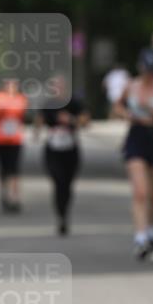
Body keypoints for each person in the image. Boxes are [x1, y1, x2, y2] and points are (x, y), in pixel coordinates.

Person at [116, 48, 153, 260]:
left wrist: (151, 109)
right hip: (136, 137)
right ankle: (140, 238)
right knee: (140, 191)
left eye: (152, 70)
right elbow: (117, 106)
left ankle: (151, 231)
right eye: (146, 70)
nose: (149, 74)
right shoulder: (131, 85)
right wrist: (127, 114)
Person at [36, 78, 90, 235]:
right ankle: (61, 216)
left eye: (60, 86)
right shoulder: (49, 104)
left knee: (67, 184)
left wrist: (71, 120)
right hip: (53, 150)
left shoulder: (74, 102)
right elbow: (40, 119)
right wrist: (36, 130)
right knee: (58, 181)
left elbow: (86, 121)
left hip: (70, 149)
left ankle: (65, 213)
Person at [0, 78, 27, 212]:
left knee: (14, 170)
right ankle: (4, 196)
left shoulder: (20, 98)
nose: (10, 87)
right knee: (3, 170)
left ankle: (15, 197)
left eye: (13, 85)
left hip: (15, 139)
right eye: (8, 85)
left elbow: (20, 112)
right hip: (1, 139)